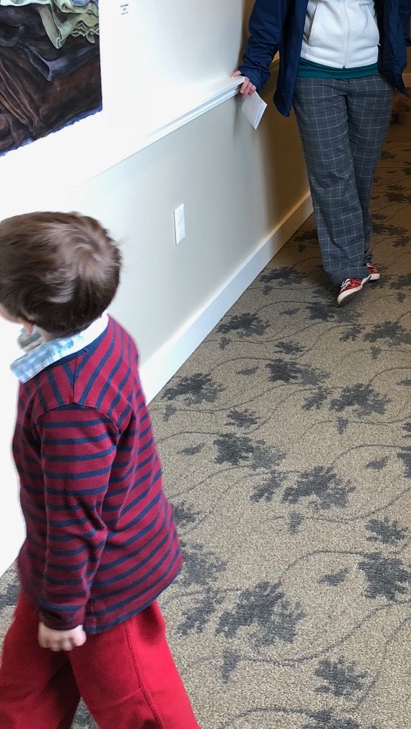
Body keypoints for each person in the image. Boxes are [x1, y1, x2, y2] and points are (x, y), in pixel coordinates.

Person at [0, 211, 199, 728]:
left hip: (102, 579)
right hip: (56, 566)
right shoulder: (100, 334)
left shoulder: (71, 405)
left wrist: (65, 609)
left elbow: (76, 516)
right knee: (23, 688)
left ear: (25, 313)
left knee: (137, 703)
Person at [235, 0, 411, 307]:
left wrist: (398, 51)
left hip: (371, 74)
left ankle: (358, 253)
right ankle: (348, 267)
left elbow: (397, 5)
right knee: (332, 173)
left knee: (359, 173)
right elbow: (273, 5)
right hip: (316, 74)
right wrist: (256, 64)